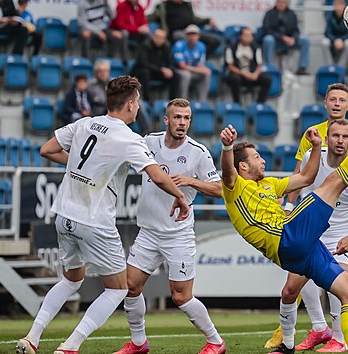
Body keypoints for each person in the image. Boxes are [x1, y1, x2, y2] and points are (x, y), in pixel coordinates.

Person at [15, 75, 190, 354]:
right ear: (131, 105)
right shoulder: (128, 138)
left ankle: (32, 338)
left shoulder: (85, 123)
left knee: (72, 278)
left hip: (63, 215)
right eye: (138, 102)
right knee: (118, 289)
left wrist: (81, 167)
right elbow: (157, 176)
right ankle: (70, 346)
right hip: (94, 220)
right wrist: (180, 197)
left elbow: (47, 149)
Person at [219, 90, 348, 354]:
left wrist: (314, 147)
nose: (263, 159)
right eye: (256, 158)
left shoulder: (269, 184)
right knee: (334, 182)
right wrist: (227, 147)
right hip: (286, 237)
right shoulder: (234, 186)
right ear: (243, 167)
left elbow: (305, 177)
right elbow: (227, 171)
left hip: (301, 248)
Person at [114, 98, 225, 354]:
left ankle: (216, 341)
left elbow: (219, 189)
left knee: (181, 297)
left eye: (186, 118)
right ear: (166, 119)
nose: (182, 123)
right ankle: (139, 343)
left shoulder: (198, 152)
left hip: (178, 234)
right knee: (130, 287)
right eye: (177, 117)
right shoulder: (148, 142)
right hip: (148, 232)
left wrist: (190, 181)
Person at [268, 120, 348, 354]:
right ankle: (287, 345)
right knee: (289, 291)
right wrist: (288, 209)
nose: (341, 141)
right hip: (313, 236)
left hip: (342, 237)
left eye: (345, 137)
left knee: (343, 287)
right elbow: (297, 182)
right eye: (336, 136)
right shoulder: (316, 158)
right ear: (328, 138)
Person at [283, 83, 348, 219]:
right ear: (325, 103)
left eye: (342, 100)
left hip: (346, 210)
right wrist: (288, 208)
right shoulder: (312, 133)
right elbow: (299, 173)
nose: (337, 104)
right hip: (315, 205)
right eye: (332, 99)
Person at [150, 0, 222, 55]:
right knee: (183, 36)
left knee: (215, 41)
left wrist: (208, 20)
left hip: (191, 31)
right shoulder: (164, 6)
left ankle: (198, 57)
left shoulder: (187, 5)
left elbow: (194, 19)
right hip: (176, 33)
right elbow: (151, 17)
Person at [262, 0, 311, 75]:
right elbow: (267, 29)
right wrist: (282, 37)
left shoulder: (292, 14)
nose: (281, 4)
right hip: (276, 39)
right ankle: (268, 66)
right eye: (279, 2)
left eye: (283, 2)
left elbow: (296, 30)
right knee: (268, 39)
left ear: (287, 3)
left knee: (305, 40)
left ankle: (302, 67)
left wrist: (294, 38)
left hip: (289, 40)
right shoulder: (269, 13)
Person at [224, 27, 272, 104]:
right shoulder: (231, 48)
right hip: (238, 74)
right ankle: (237, 103)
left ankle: (260, 104)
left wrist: (255, 74)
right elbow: (230, 66)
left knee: (267, 80)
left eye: (250, 36)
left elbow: (259, 65)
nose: (248, 38)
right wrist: (243, 73)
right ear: (240, 36)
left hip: (252, 74)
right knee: (235, 79)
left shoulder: (256, 48)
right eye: (246, 35)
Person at [130, 28, 175, 102]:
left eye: (161, 38)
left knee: (175, 74)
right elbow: (143, 63)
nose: (159, 39)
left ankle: (173, 101)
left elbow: (170, 62)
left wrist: (170, 70)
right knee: (145, 72)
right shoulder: (145, 45)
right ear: (153, 36)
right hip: (142, 71)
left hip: (158, 71)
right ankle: (147, 100)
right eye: (157, 37)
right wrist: (161, 69)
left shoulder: (167, 47)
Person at [173, 24, 211, 102]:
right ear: (186, 36)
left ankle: (202, 102)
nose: (192, 36)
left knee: (206, 75)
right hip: (178, 71)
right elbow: (182, 66)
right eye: (190, 34)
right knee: (186, 75)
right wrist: (201, 70)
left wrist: (204, 70)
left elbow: (200, 64)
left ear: (198, 36)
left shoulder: (201, 46)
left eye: (194, 34)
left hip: (192, 71)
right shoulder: (179, 45)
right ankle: (183, 101)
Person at [322, 0, 348, 67]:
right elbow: (327, 32)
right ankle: (330, 66)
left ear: (344, 6)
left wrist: (341, 39)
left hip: (344, 39)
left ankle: (341, 67)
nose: (338, 7)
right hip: (333, 39)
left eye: (340, 5)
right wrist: (334, 40)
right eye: (336, 5)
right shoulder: (330, 16)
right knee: (324, 42)